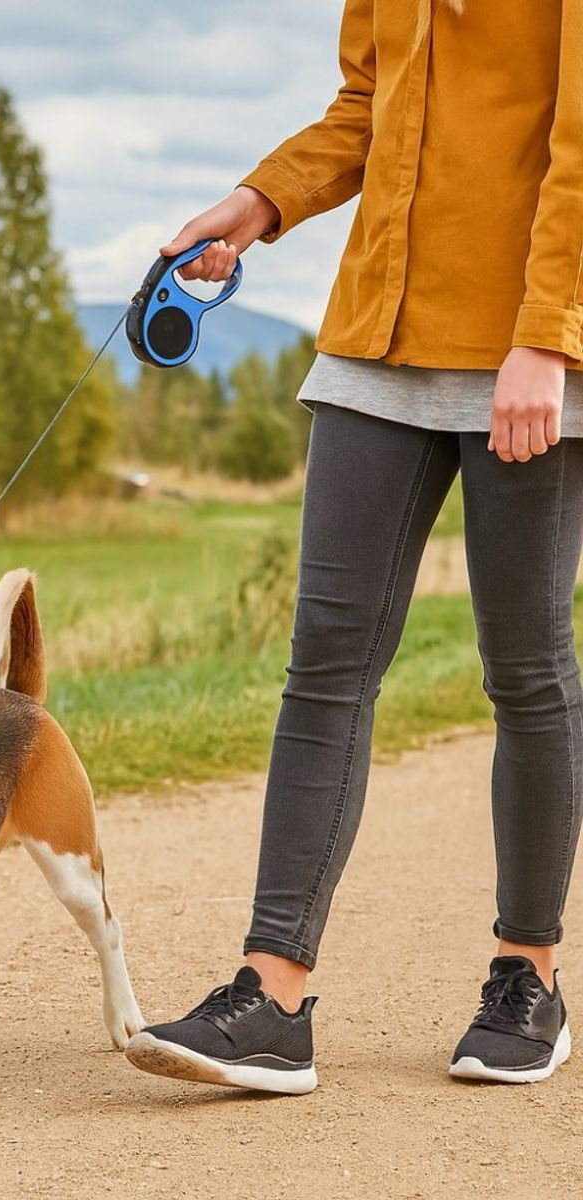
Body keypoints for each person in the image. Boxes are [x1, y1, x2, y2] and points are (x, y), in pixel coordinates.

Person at [124, 0, 583, 1093]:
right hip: (376, 336)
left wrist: (547, 339)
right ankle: (273, 994)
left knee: (524, 665)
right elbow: (365, 108)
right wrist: (256, 202)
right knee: (325, 661)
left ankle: (530, 975)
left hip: (526, 348)